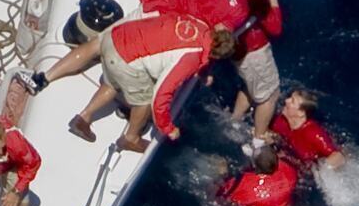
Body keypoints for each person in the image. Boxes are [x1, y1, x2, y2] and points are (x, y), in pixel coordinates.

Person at [21, 11, 236, 149]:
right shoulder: (191, 57)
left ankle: (83, 116)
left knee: (115, 81)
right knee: (143, 99)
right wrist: (167, 127)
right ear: (216, 55)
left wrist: (201, 69)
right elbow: (162, 94)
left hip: (118, 36)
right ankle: (130, 138)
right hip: (125, 60)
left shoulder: (196, 21)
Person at [231, 0, 284, 145]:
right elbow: (275, 28)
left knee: (251, 86)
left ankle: (234, 122)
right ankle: (258, 141)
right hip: (255, 53)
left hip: (240, 52)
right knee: (270, 95)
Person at [271, 88, 345, 170]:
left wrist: (319, 170)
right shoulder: (280, 122)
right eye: (290, 97)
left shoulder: (313, 133)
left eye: (292, 101)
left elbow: (339, 157)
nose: (286, 100)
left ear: (301, 113)